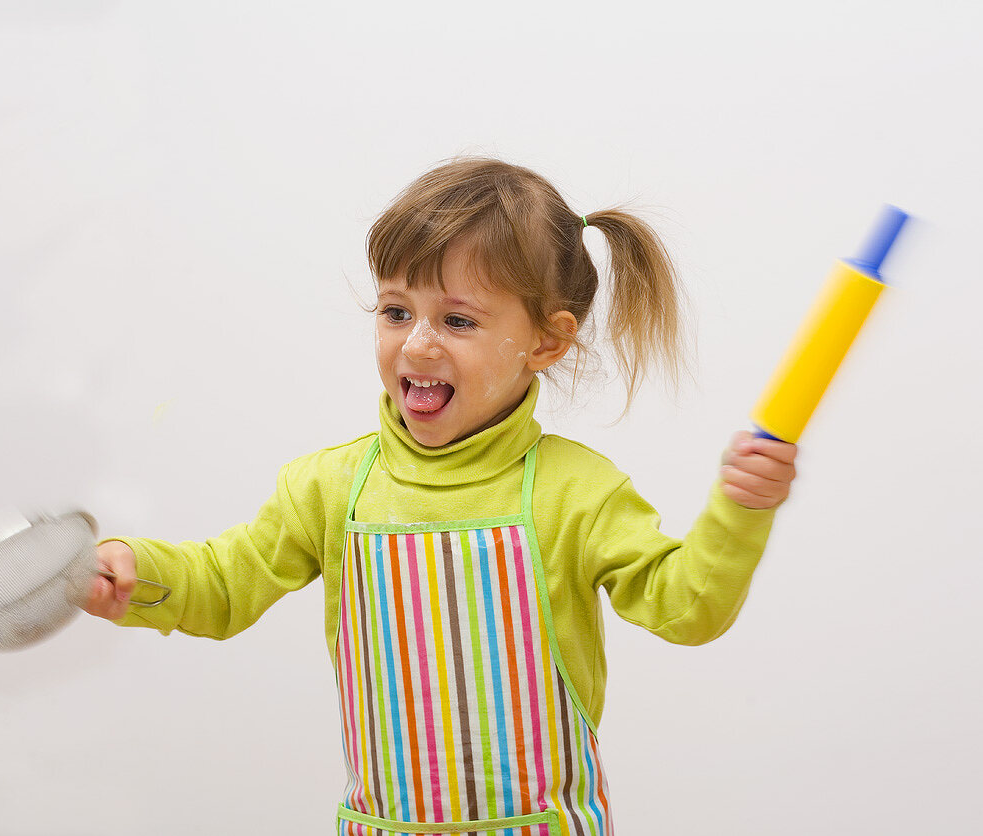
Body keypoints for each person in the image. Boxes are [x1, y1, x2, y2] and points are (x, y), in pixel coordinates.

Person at [84, 157, 797, 836]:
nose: (417, 345)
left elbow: (688, 608)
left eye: (457, 320)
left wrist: (741, 510)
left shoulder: (577, 492)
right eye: (396, 311)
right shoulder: (330, 488)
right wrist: (134, 569)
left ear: (547, 343)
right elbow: (221, 584)